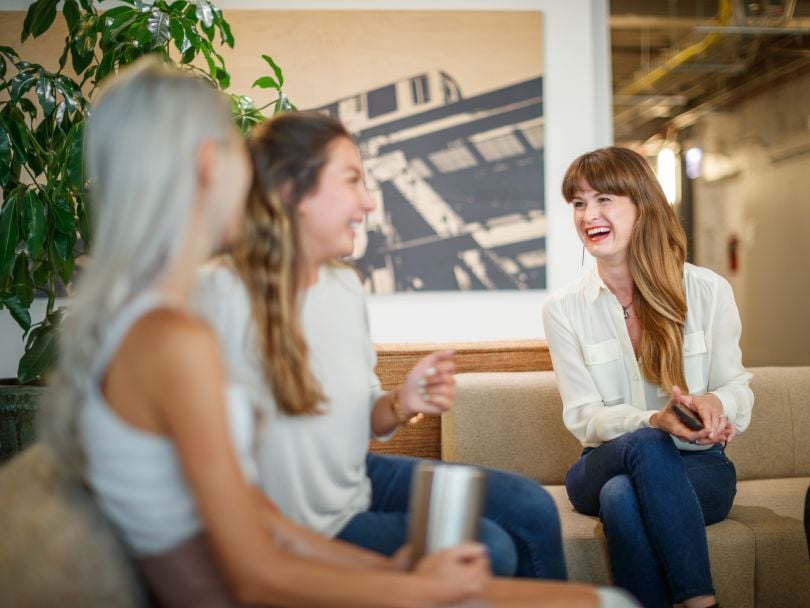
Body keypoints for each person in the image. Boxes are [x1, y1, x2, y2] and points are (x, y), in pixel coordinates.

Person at [37, 58, 494, 607]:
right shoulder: (175, 336)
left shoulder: (146, 321)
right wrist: (411, 588)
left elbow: (256, 520)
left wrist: (386, 570)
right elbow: (257, 575)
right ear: (210, 164)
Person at [192, 111, 568, 580]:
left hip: (356, 482)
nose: (369, 202)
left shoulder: (345, 288)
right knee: (489, 548)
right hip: (298, 526)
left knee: (531, 506)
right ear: (293, 190)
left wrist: (400, 402)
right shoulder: (216, 294)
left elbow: (366, 413)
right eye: (352, 181)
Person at [542, 146, 755, 608]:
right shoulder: (564, 309)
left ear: (643, 205)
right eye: (578, 203)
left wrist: (718, 405)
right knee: (646, 443)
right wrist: (653, 422)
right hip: (603, 463)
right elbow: (583, 417)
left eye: (603, 200)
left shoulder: (706, 292)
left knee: (622, 499)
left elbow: (735, 385)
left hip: (698, 468)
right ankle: (702, 603)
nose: (587, 215)